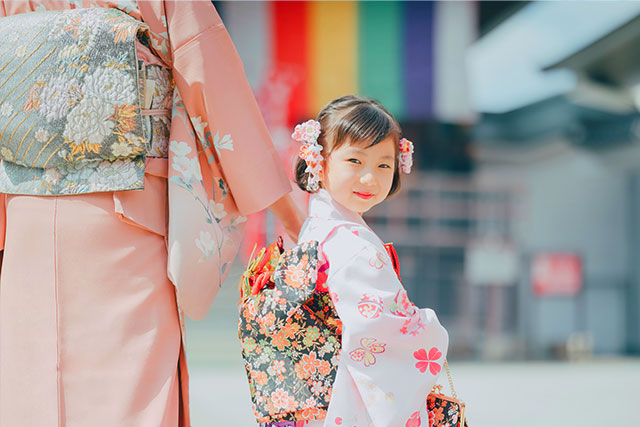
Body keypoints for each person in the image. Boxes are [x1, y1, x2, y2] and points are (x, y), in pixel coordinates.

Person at [0, 1, 304, 426]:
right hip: (123, 215)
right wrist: (289, 214)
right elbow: (210, 76)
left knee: (31, 386)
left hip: (25, 217)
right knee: (128, 392)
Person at [240, 95, 449, 426]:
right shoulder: (353, 245)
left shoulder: (318, 227)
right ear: (319, 162)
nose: (370, 178)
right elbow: (377, 331)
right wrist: (429, 329)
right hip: (340, 401)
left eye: (383, 165)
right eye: (355, 161)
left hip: (311, 399)